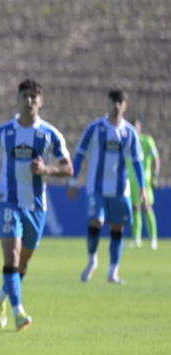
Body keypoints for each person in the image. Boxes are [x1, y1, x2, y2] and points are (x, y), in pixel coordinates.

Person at [0, 79, 73, 332]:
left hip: (36, 207)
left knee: (23, 265)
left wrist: (47, 169)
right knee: (11, 257)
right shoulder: (4, 132)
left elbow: (68, 168)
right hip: (8, 203)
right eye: (25, 95)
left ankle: (1, 296)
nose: (29, 100)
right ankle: (18, 311)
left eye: (34, 96)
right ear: (18, 99)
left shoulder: (50, 134)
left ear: (40, 101)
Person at [68, 90, 148, 284]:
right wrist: (73, 180)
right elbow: (80, 154)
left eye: (120, 102)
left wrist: (143, 189)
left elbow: (137, 162)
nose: (116, 106)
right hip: (96, 187)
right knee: (95, 223)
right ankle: (92, 260)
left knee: (117, 229)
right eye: (113, 102)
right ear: (108, 103)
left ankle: (113, 272)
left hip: (121, 190)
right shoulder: (95, 128)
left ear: (125, 106)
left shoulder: (129, 132)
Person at [128, 117, 160, 250]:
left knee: (147, 207)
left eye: (136, 126)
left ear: (139, 127)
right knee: (135, 208)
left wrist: (155, 175)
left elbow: (156, 159)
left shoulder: (147, 141)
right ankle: (137, 238)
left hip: (144, 180)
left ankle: (153, 238)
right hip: (130, 180)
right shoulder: (128, 142)